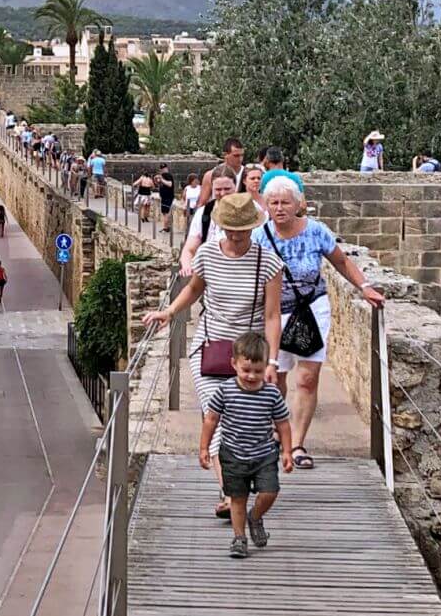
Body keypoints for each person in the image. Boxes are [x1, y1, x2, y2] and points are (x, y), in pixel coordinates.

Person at [144, 193, 284, 518]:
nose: (235, 237)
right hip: (210, 349)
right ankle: (229, 494)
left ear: (253, 228)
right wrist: (170, 312)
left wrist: (273, 360)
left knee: (246, 427)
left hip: (249, 355)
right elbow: (194, 289)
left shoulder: (269, 263)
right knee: (217, 420)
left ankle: (240, 482)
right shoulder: (207, 254)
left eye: (242, 231)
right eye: (230, 230)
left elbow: (273, 315)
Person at [254, 173, 385, 470]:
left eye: (285, 202)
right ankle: (277, 434)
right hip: (275, 312)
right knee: (277, 377)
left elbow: (341, 261)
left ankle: (297, 443)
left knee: (307, 377)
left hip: (311, 308)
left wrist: (364, 288)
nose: (279, 208)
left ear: (298, 204)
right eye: (273, 202)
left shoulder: (316, 231)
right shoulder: (260, 236)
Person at [200, 332, 293, 559]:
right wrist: (204, 447)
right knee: (237, 499)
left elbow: (283, 423)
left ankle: (256, 516)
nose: (252, 376)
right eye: (246, 370)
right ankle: (239, 538)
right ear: (234, 364)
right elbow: (211, 419)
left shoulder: (271, 394)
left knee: (271, 491)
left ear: (266, 368)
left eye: (258, 371)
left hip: (263, 454)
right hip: (232, 454)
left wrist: (287, 451)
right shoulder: (225, 390)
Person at [178, 175, 237, 276]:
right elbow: (190, 249)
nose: (223, 194)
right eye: (218, 189)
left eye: (227, 189)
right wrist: (187, 267)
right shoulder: (204, 213)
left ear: (235, 187)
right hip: (210, 271)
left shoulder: (248, 211)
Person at [197, 137, 245, 207]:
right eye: (236, 156)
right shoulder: (210, 175)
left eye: (242, 155)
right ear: (225, 155)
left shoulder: (247, 174)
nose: (240, 159)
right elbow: (202, 203)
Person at [157, 163, 176, 232]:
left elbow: (170, 184)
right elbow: (159, 184)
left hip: (168, 196)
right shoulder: (162, 176)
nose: (163, 170)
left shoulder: (168, 175)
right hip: (164, 196)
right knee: (165, 212)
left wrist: (161, 179)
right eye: (162, 169)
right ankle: (167, 227)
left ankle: (166, 227)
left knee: (166, 212)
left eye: (164, 168)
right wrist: (157, 180)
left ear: (166, 168)